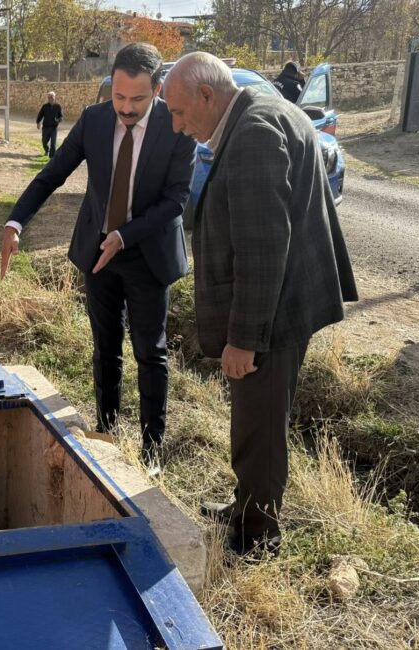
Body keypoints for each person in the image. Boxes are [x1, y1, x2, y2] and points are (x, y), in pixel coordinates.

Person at [164, 52, 357, 557]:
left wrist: (244, 340)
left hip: (274, 313)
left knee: (260, 426)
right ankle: (247, 506)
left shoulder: (252, 135)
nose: (177, 126)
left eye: (179, 112)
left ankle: (257, 538)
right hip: (286, 300)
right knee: (259, 420)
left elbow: (263, 249)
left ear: (208, 95)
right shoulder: (270, 109)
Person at [1, 43, 196, 472]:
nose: (125, 108)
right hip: (99, 252)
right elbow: (52, 175)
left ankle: (151, 450)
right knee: (105, 347)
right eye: (119, 96)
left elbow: (176, 200)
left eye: (137, 99)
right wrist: (16, 222)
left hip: (147, 252)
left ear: (158, 90)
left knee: (150, 352)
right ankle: (106, 433)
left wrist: (126, 236)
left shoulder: (176, 125)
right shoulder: (94, 120)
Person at [36, 91, 63, 156]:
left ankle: (52, 157)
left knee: (53, 143)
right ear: (47, 98)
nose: (50, 99)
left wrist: (58, 120)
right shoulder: (45, 106)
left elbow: (61, 116)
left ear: (54, 97)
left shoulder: (58, 106)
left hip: (54, 127)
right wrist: (38, 122)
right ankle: (46, 150)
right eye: (49, 97)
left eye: (52, 97)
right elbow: (40, 114)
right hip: (46, 127)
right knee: (44, 141)